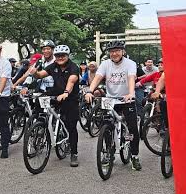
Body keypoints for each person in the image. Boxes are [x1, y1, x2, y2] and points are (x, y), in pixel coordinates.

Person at [85, 40, 142, 171]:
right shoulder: (105, 64)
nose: (114, 53)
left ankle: (134, 156)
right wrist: (89, 91)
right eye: (111, 51)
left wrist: (131, 93)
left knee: (132, 129)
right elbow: (98, 78)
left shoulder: (130, 64)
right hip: (111, 99)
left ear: (123, 51)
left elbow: (131, 78)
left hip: (127, 99)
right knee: (106, 125)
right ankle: (108, 153)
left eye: (117, 51)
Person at [29, 44, 80, 167]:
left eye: (63, 56)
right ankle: (40, 123)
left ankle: (74, 153)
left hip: (70, 97)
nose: (60, 58)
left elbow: (71, 81)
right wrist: (35, 73)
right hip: (56, 93)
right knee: (38, 99)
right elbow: (41, 75)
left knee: (71, 126)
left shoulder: (74, 67)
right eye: (57, 56)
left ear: (68, 56)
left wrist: (66, 93)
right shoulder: (53, 66)